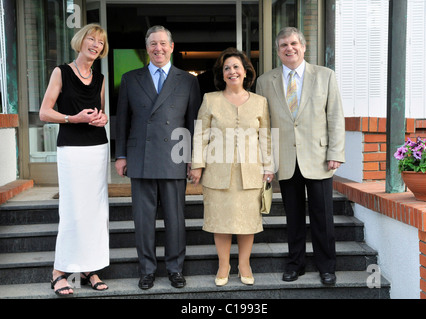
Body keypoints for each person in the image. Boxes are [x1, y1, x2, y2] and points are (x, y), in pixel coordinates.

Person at [255, 27, 345, 285]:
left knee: (323, 216)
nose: (289, 48)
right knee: (292, 216)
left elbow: (335, 116)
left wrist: (335, 152)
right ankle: (296, 264)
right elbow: (264, 124)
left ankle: (326, 266)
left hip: (318, 157)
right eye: (283, 44)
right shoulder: (265, 81)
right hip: (284, 159)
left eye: (293, 43)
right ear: (278, 50)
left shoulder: (325, 76)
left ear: (303, 47)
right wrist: (267, 161)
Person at [115, 25, 201, 290]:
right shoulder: (130, 78)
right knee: (143, 220)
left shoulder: (187, 80)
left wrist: (193, 158)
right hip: (140, 157)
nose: (158, 48)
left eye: (163, 43)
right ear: (147, 48)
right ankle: (147, 270)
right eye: (153, 44)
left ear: (172, 47)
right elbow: (123, 121)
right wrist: (120, 155)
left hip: (174, 157)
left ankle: (175, 269)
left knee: (175, 219)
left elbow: (193, 123)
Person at [189, 48, 274, 286]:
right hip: (218, 172)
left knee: (248, 222)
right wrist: (197, 165)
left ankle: (244, 264)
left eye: (236, 67)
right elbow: (200, 135)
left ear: (246, 72)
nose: (232, 71)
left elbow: (265, 136)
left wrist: (269, 166)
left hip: (250, 172)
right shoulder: (210, 99)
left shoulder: (260, 102)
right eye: (227, 68)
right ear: (222, 74)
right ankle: (224, 265)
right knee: (221, 221)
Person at [39, 24, 110, 296]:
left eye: (100, 42)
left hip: (97, 148)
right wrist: (72, 118)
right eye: (91, 39)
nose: (95, 45)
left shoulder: (100, 78)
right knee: (72, 210)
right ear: (80, 41)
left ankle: (89, 267)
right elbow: (45, 113)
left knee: (95, 211)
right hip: (71, 149)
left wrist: (100, 118)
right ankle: (59, 271)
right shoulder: (62, 71)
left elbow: (99, 113)